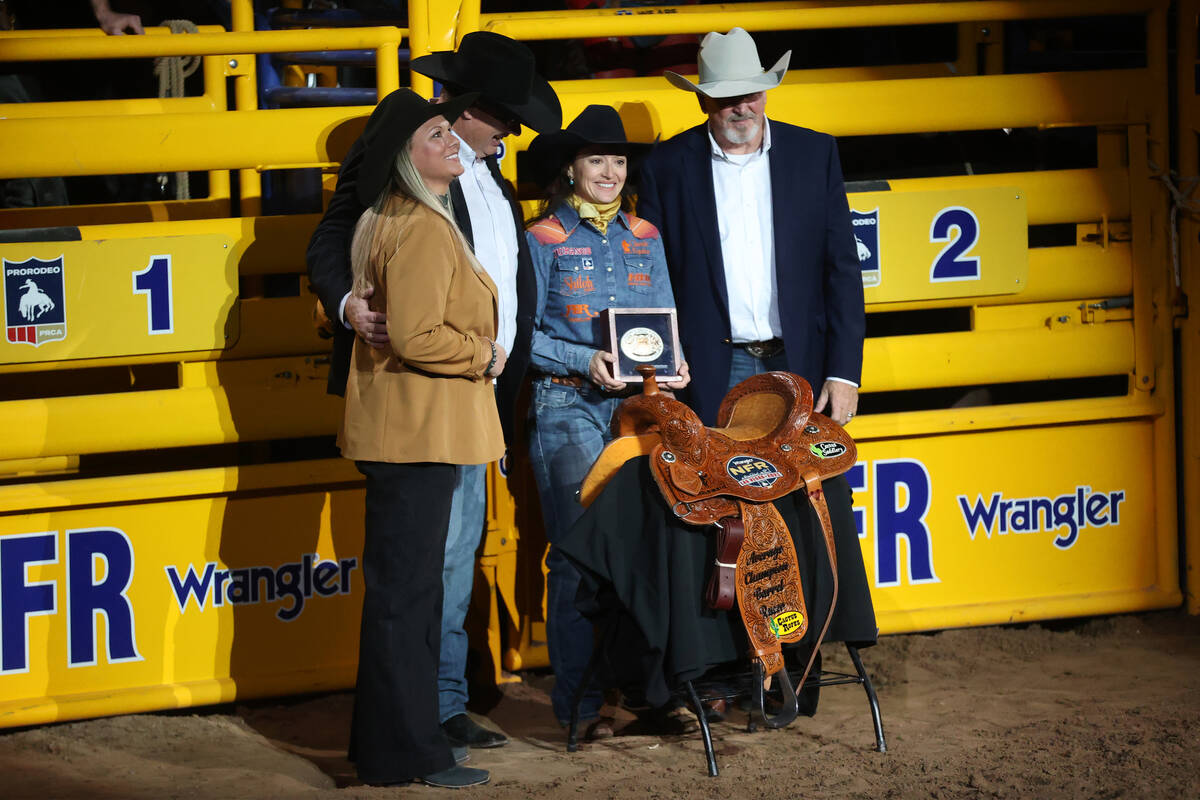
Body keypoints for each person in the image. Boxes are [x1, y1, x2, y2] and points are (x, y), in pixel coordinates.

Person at [306, 31, 561, 751]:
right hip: (419, 393)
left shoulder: (493, 182)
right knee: (426, 560)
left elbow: (507, 284)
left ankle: (441, 701)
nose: (511, 131)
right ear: (468, 108)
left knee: (455, 552)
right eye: (504, 116)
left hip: (476, 390)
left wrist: (500, 370)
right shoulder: (401, 161)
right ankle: (426, 712)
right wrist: (348, 304)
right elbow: (332, 235)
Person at [636, 27, 865, 692]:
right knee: (720, 513)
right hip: (713, 368)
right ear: (704, 101)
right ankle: (734, 665)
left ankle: (805, 656)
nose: (740, 107)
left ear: (767, 91)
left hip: (799, 364)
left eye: (749, 94)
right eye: (725, 96)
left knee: (808, 505)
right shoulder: (668, 166)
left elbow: (840, 270)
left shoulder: (812, 154)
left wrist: (843, 371)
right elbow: (654, 276)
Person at [337, 88, 502, 789]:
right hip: (420, 433)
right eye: (437, 136)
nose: (451, 144)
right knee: (409, 600)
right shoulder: (424, 227)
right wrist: (481, 354)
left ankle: (391, 747)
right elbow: (415, 335)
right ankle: (407, 754)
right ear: (409, 159)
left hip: (403, 431)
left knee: (401, 598)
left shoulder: (391, 219)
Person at [524, 104, 691, 737]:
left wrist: (676, 366)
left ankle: (651, 694)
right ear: (571, 166)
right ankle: (582, 707)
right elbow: (521, 335)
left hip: (639, 409)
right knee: (577, 556)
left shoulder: (645, 236)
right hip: (566, 402)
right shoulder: (543, 240)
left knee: (651, 548)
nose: (609, 171)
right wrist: (581, 358)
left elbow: (666, 321)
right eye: (597, 159)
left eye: (618, 160)